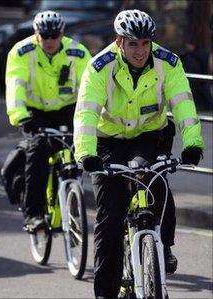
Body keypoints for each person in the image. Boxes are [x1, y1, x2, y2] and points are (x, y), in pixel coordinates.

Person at [73, 9, 204, 299]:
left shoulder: (168, 63)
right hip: (108, 141)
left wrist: (193, 143)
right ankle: (105, 292)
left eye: (145, 43)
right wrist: (86, 153)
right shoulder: (99, 67)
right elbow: (86, 114)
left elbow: (183, 103)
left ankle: (161, 246)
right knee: (110, 217)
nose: (140, 51)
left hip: (150, 134)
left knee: (156, 181)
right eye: (133, 44)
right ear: (119, 42)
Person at [5, 10, 91, 232]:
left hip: (68, 109)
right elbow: (16, 86)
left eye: (55, 36)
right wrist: (21, 117)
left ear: (62, 33)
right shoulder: (22, 52)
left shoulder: (78, 53)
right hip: (36, 113)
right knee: (39, 151)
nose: (50, 41)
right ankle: (33, 214)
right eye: (45, 36)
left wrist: (94, 120)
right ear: (36, 34)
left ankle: (71, 199)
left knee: (78, 152)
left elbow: (90, 89)